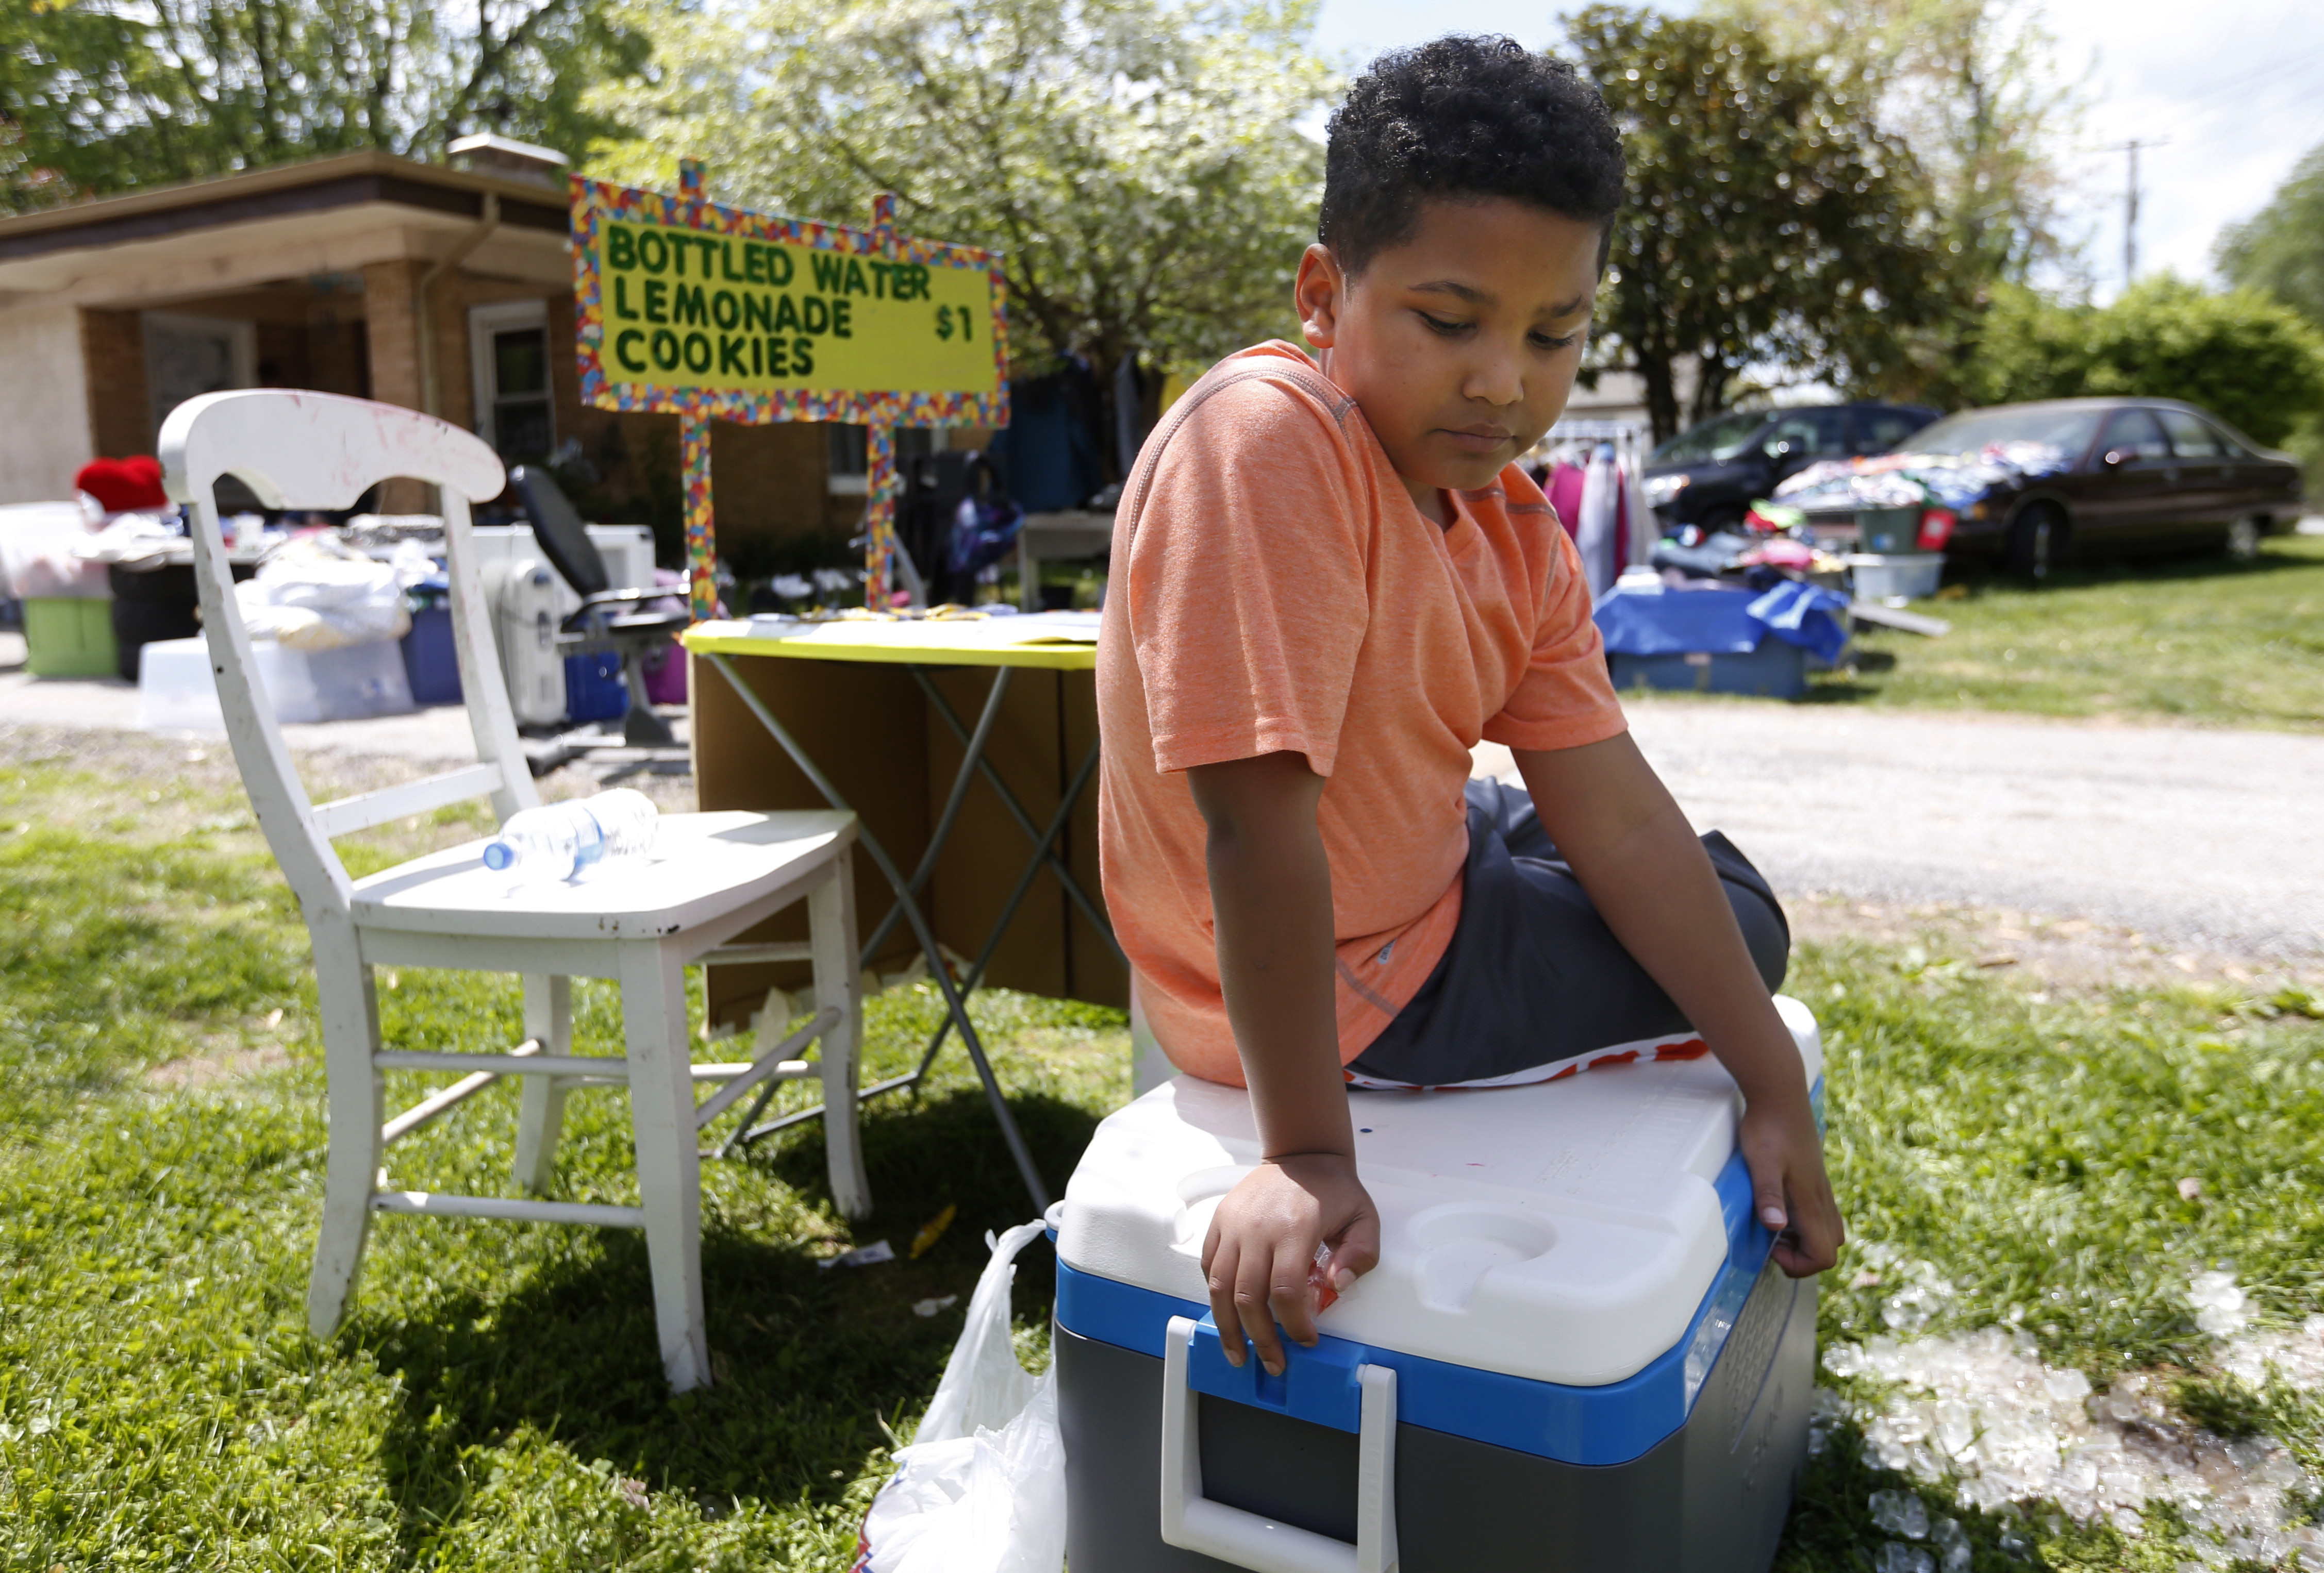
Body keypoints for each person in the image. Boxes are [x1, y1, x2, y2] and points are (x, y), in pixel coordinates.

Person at [1094, 35, 1844, 1379]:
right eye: (1450, 322)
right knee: (1743, 919)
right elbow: (1255, 829)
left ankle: (1544, 894)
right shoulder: (1266, 441)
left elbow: (1611, 810)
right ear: (1324, 295)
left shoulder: (1511, 528)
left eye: (1552, 334)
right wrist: (1307, 1155)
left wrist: (1771, 1086)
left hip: (1415, 869)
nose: (1504, 380)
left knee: (1655, 864)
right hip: (1354, 988)